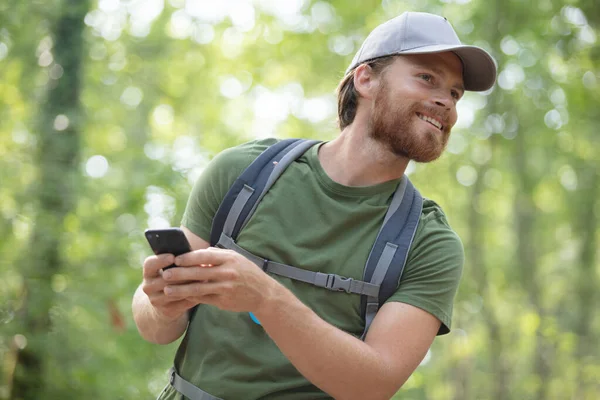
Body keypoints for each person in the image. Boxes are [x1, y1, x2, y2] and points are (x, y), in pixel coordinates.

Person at [132, 11, 496, 400]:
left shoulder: (428, 241)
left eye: (456, 93)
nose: (446, 102)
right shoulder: (243, 174)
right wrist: (161, 304)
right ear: (366, 78)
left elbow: (373, 386)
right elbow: (156, 329)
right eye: (427, 78)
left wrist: (264, 297)